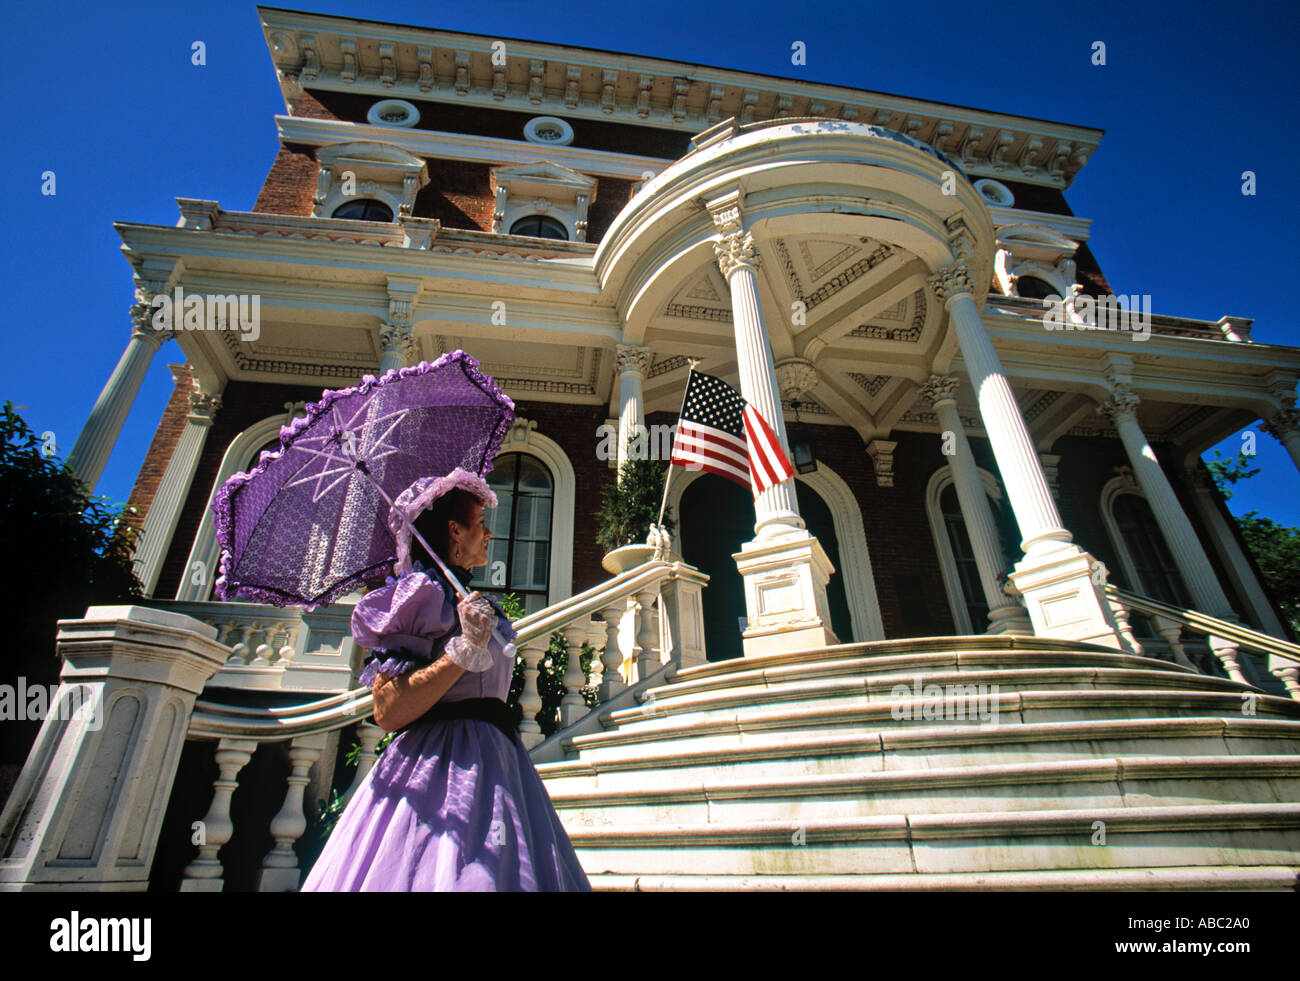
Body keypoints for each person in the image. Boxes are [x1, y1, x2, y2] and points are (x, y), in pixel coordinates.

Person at [301, 468, 592, 891]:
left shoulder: (466, 599)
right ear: (455, 530)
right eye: (479, 523)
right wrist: (461, 651)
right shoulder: (420, 597)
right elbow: (388, 709)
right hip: (436, 772)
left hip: (500, 765)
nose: (490, 533)